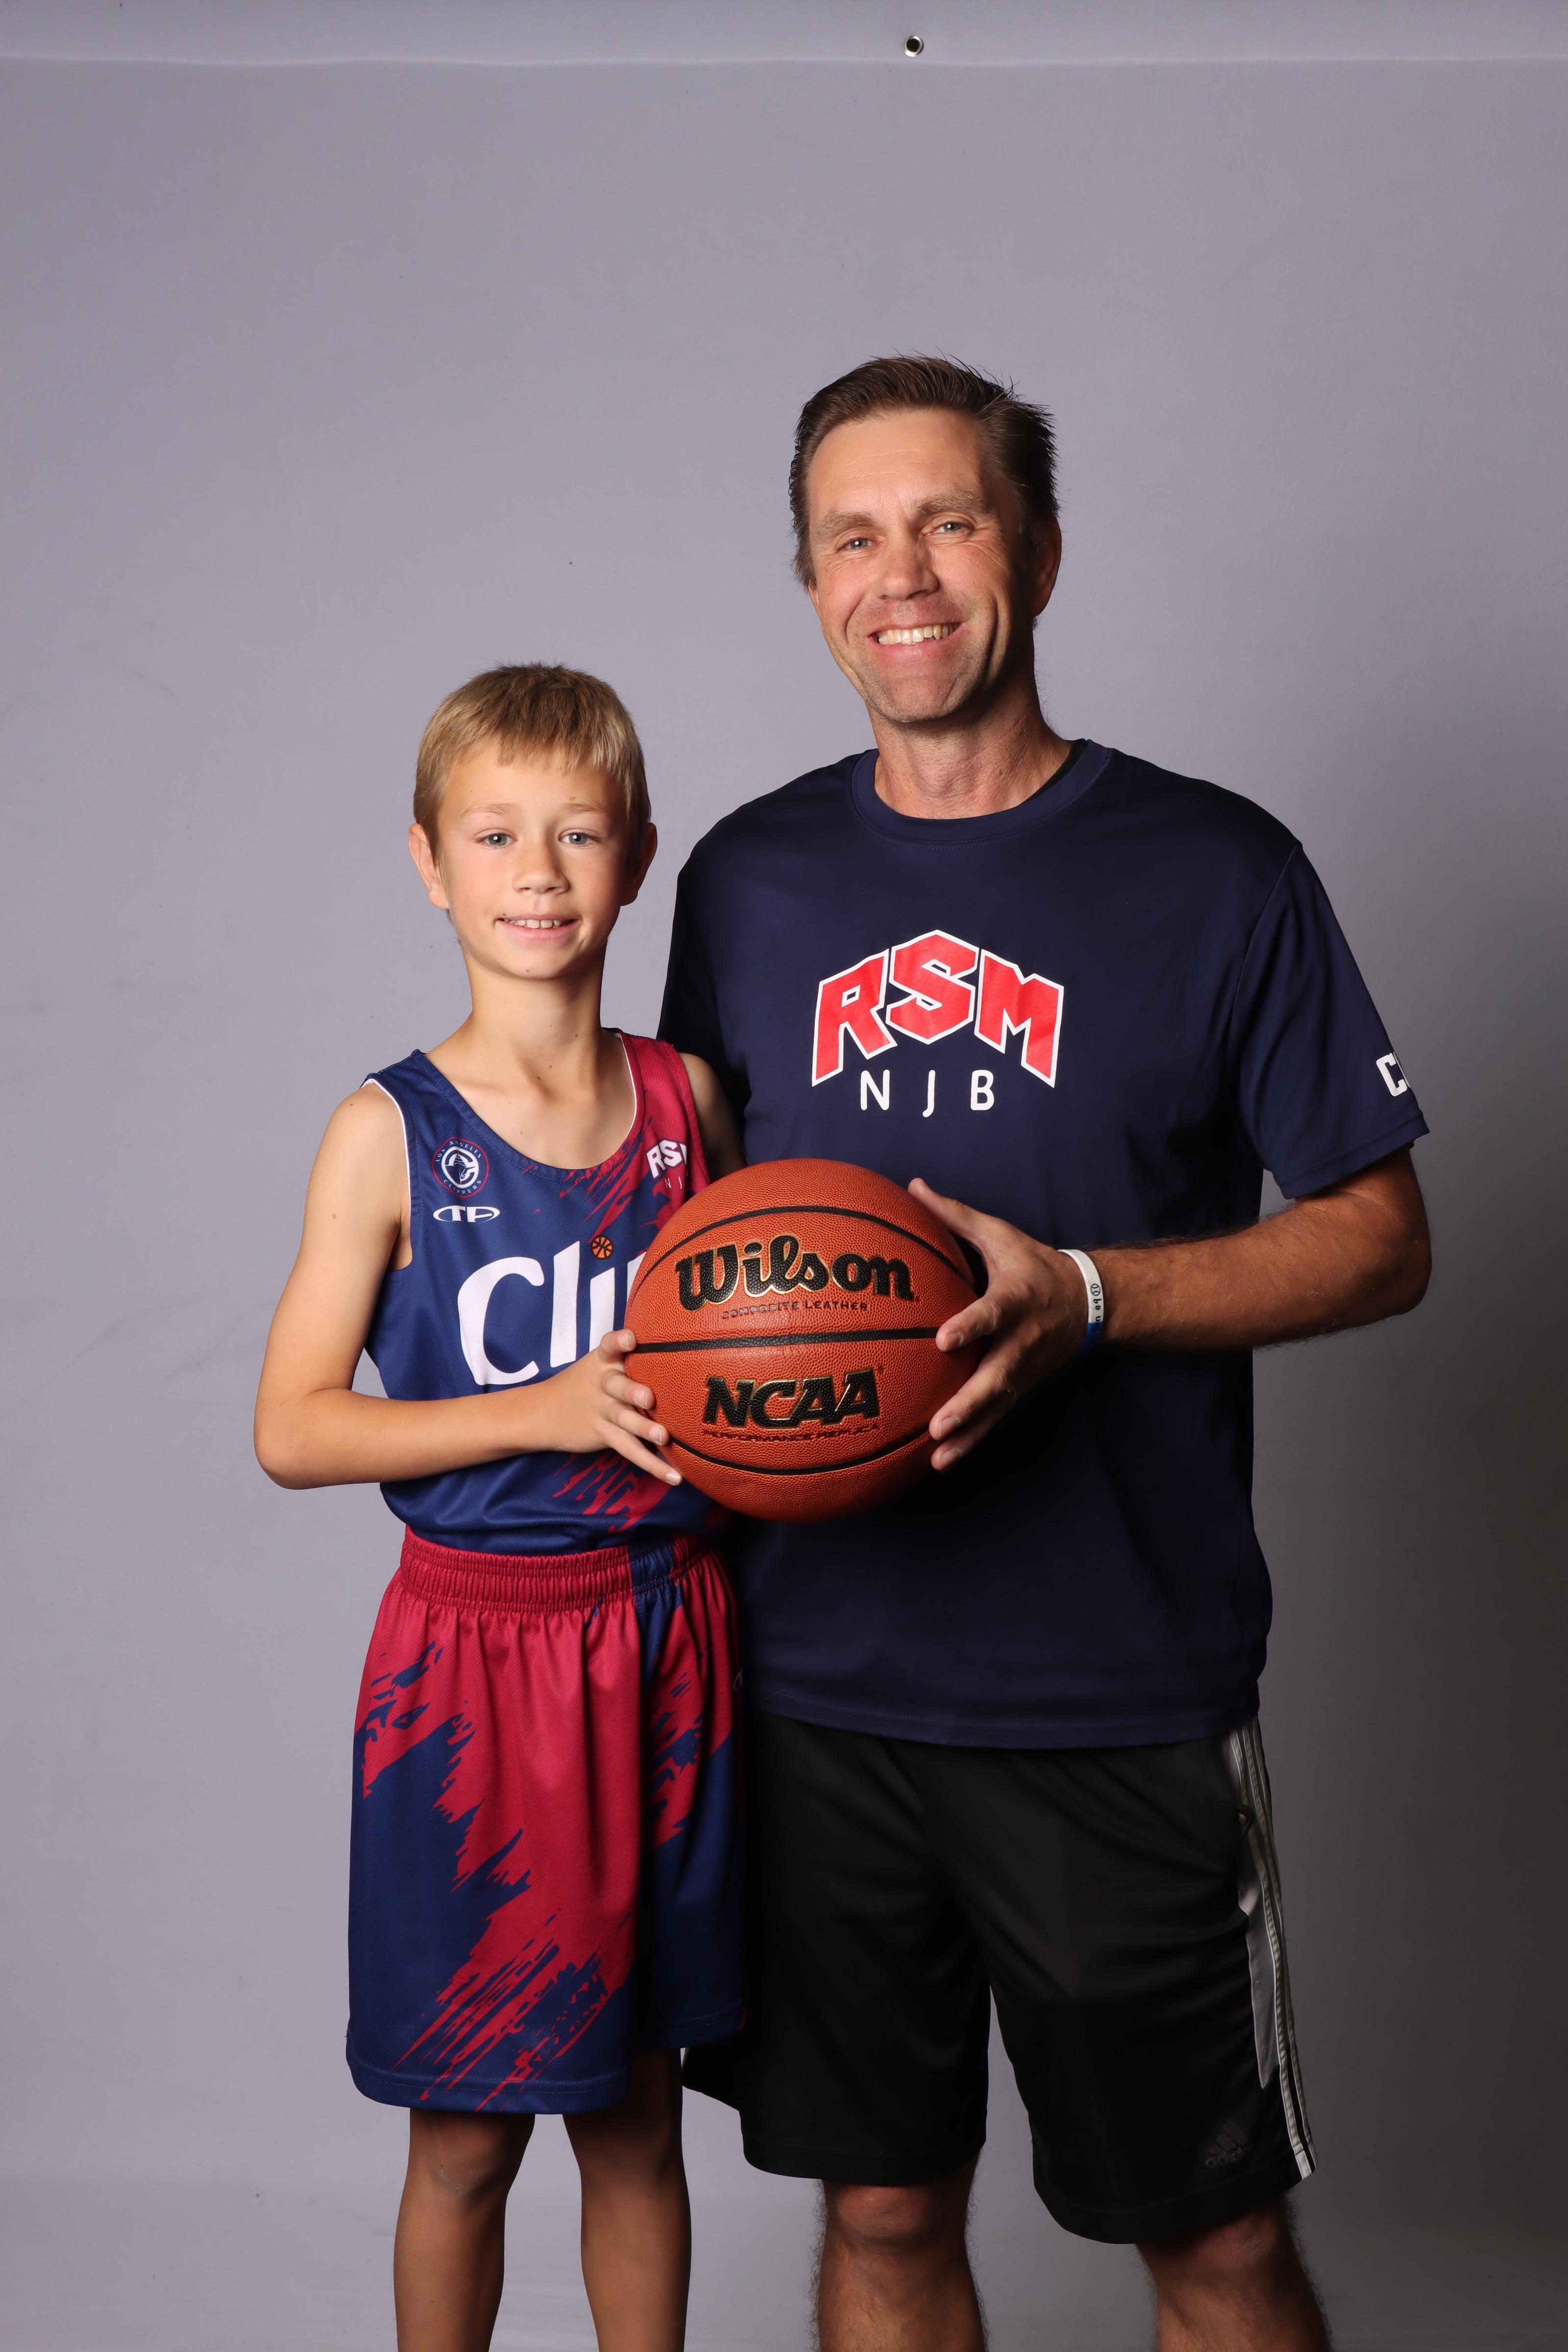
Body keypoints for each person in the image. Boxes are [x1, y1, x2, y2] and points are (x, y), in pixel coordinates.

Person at [656, 358, 1432, 2352]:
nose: (899, 574)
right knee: (882, 2212)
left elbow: (1380, 1236)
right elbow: (689, 1251)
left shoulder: (1217, 869)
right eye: (851, 536)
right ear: (810, 585)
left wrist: (1088, 1295)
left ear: (1042, 552)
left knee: (1217, 2248)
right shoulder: (744, 880)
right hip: (810, 1688)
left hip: (1114, 1688)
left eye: (949, 519)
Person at [254, 664, 743, 2352]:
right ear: (428, 862)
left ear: (638, 858)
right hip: (480, 1661)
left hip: (670, 1641)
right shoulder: (386, 1131)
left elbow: (758, 1367)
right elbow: (292, 1429)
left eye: (579, 834)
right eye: (494, 835)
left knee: (640, 2118)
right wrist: (542, 1412)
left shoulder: (690, 1105)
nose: (538, 871)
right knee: (466, 2137)